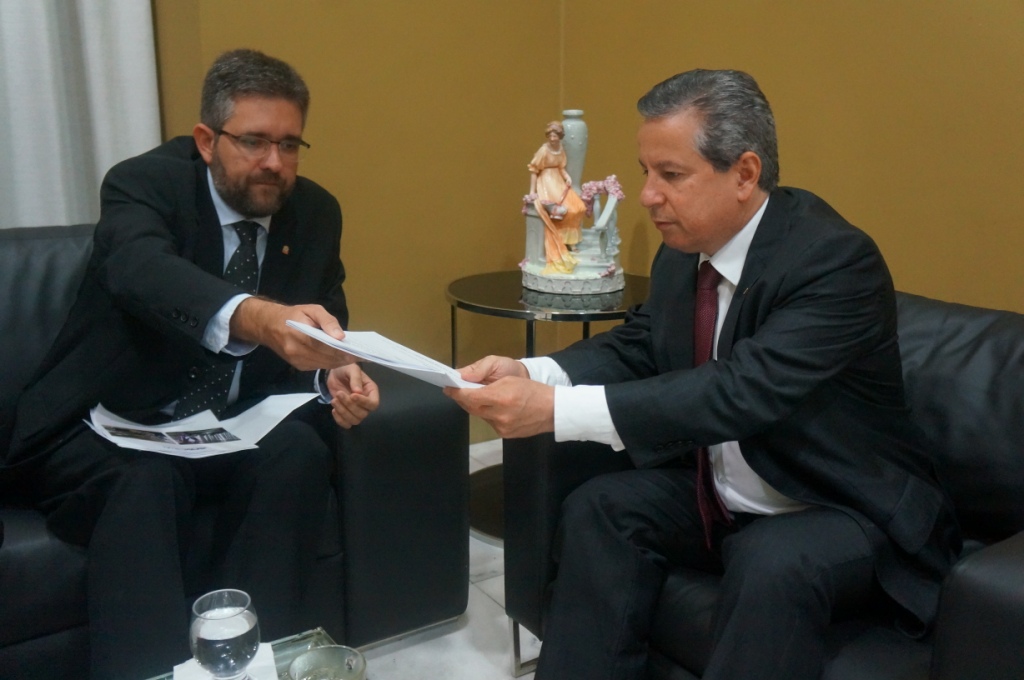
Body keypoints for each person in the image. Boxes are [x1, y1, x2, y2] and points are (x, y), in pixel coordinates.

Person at [446, 69, 960, 680]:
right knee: (601, 508)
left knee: (772, 563)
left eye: (671, 175)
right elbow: (643, 343)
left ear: (744, 174)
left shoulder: (834, 261)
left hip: (839, 502)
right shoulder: (685, 249)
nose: (647, 196)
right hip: (726, 491)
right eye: (645, 172)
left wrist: (554, 412)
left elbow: (741, 389)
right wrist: (534, 370)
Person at [2, 49, 376, 678]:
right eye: (254, 141)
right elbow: (141, 270)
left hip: (227, 427)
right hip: (108, 422)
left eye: (289, 144)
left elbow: (326, 320)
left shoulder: (315, 212)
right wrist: (256, 316)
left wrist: (333, 372)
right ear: (206, 140)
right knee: (146, 481)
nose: (274, 162)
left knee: (299, 453)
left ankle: (255, 664)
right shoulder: (144, 185)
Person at [528, 121, 586, 274]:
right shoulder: (543, 150)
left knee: (578, 207)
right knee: (563, 210)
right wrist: (532, 191)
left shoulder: (560, 149)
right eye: (550, 136)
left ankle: (571, 240)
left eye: (555, 136)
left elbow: (561, 167)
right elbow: (533, 170)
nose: (553, 138)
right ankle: (562, 240)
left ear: (560, 136)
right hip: (546, 182)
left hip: (558, 180)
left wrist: (567, 177)